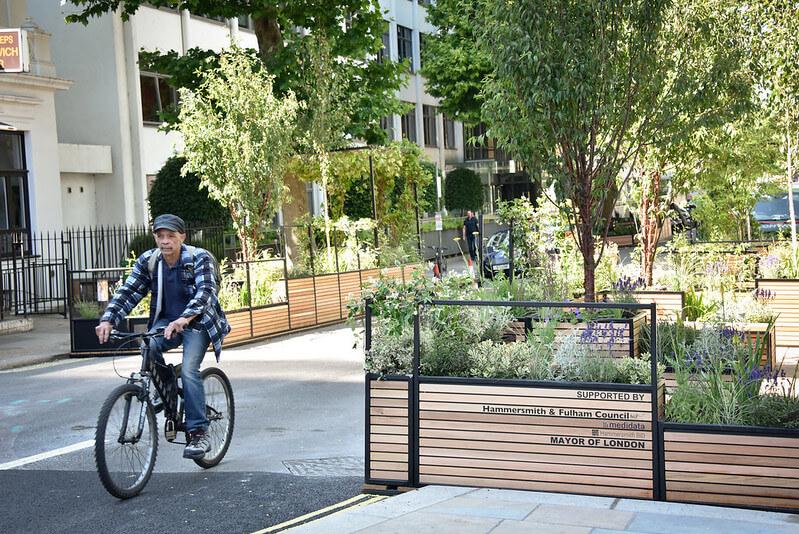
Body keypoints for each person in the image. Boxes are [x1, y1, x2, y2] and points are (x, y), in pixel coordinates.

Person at [95, 214, 230, 460]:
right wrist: (108, 319)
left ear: (182, 237)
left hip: (197, 322)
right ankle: (168, 393)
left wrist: (184, 319)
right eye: (160, 236)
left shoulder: (199, 259)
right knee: (149, 347)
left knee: (189, 369)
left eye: (170, 236)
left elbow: (206, 293)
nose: (165, 241)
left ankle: (199, 432)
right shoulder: (150, 260)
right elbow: (129, 291)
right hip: (166, 322)